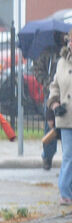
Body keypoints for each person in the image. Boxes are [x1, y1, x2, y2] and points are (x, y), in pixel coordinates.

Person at [44, 34, 72, 204]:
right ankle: (65, 192)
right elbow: (54, 86)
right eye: (71, 41)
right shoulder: (61, 62)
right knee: (69, 155)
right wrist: (54, 104)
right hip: (66, 116)